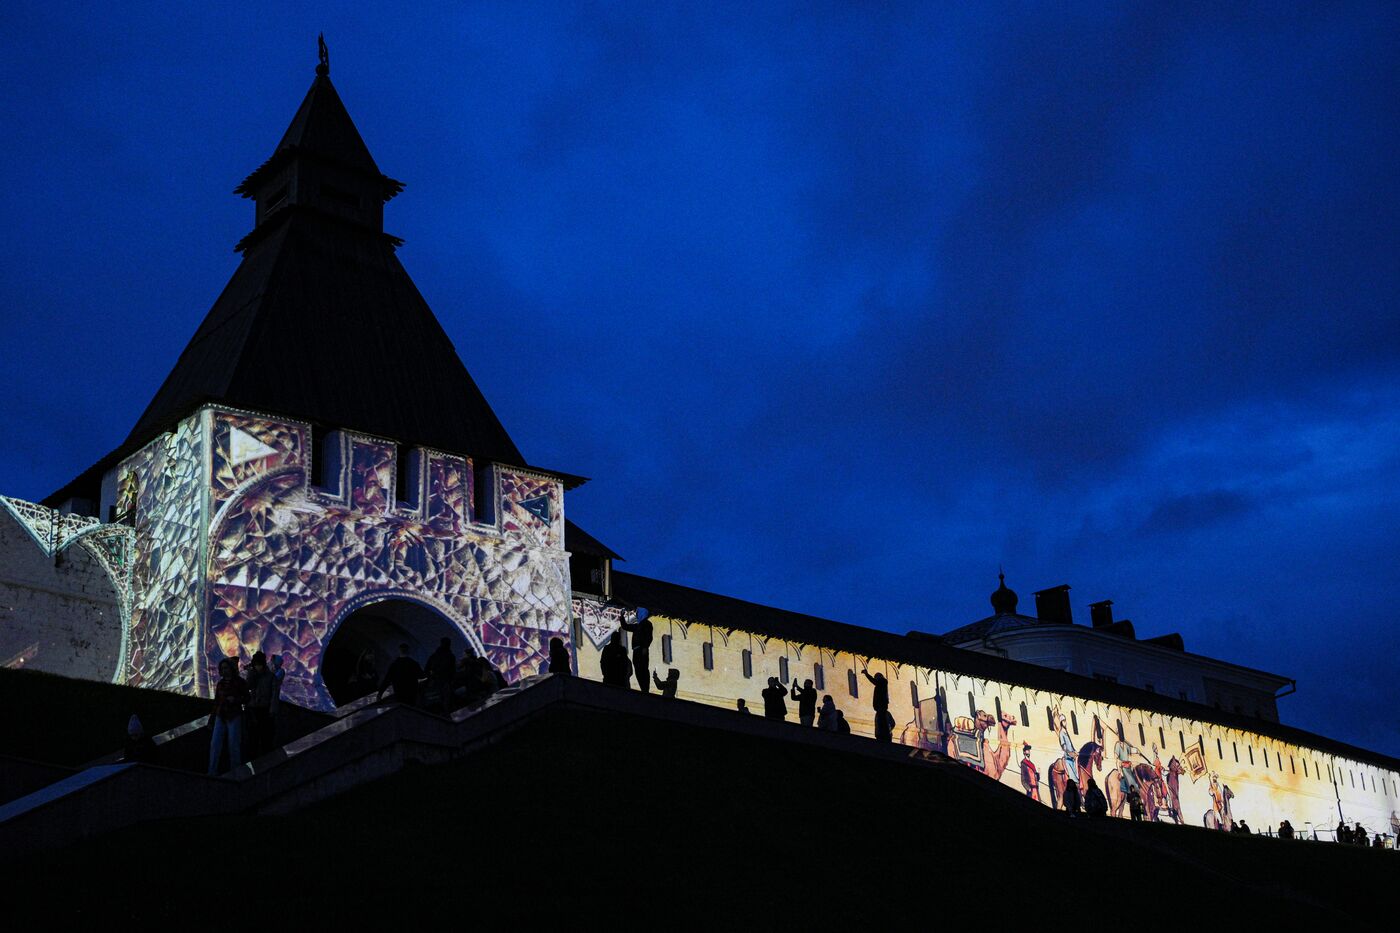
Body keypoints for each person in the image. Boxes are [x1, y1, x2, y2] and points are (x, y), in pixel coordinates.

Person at [208, 658, 250, 775]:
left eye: (226, 668)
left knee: (234, 745)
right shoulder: (220, 684)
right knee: (215, 744)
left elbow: (247, 698)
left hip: (234, 715)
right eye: (222, 669)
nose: (224, 670)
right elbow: (216, 702)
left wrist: (235, 700)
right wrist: (212, 719)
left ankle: (235, 772)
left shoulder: (240, 682)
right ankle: (211, 772)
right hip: (220, 715)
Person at [244, 651, 274, 759]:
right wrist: (250, 673)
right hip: (253, 709)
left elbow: (273, 694)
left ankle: (267, 758)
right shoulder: (252, 674)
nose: (258, 667)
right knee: (253, 737)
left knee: (265, 736)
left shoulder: (270, 676)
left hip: (264, 709)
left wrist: (272, 709)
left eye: (260, 664)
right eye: (256, 664)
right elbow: (247, 687)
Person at [617, 607, 653, 693]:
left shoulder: (647, 624)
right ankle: (643, 688)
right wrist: (622, 617)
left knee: (643, 669)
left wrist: (645, 647)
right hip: (636, 650)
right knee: (638, 669)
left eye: (638, 613)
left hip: (641, 650)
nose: (637, 615)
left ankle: (645, 689)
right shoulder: (638, 625)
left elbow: (649, 637)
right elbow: (625, 626)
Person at [425, 637, 456, 713]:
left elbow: (426, 669)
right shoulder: (451, 656)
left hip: (435, 681)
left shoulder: (434, 656)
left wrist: (431, 677)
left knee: (436, 700)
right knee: (446, 702)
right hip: (446, 682)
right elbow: (452, 671)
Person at [268, 654, 286, 745]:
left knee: (272, 717)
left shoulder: (281, 671)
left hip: (274, 696)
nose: (271, 662)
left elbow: (273, 679)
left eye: (272, 661)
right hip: (269, 696)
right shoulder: (273, 670)